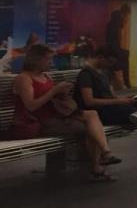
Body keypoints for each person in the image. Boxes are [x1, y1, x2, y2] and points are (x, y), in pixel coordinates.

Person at [11, 44, 121, 182]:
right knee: (90, 128)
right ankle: (97, 167)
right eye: (48, 59)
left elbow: (51, 99)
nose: (51, 63)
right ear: (36, 59)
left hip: (55, 117)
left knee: (92, 115)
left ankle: (106, 153)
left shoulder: (45, 77)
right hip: (39, 122)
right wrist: (54, 91)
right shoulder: (24, 78)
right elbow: (31, 106)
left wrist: (62, 94)